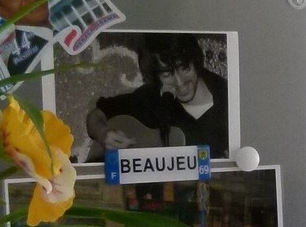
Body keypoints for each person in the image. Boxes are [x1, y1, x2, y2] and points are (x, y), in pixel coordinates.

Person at [84, 33, 231, 158]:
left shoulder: (228, 98)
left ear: (195, 62)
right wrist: (103, 134)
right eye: (167, 74)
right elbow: (96, 115)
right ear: (156, 75)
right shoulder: (151, 98)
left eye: (184, 68)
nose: (179, 83)